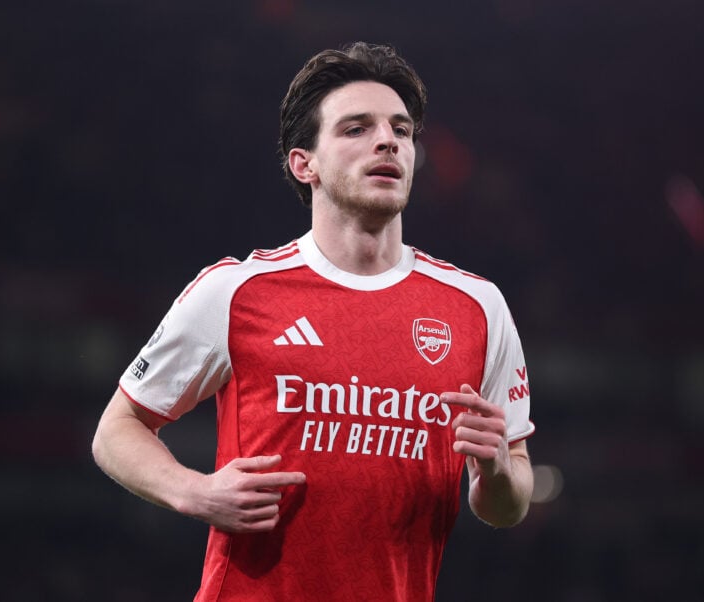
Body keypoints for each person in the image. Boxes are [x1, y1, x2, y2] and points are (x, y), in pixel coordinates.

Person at [92, 41, 535, 601]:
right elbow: (117, 429)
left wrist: (497, 472)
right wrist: (194, 491)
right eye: (357, 128)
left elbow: (507, 505)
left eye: (401, 130)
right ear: (305, 165)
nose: (387, 141)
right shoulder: (236, 291)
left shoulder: (477, 307)